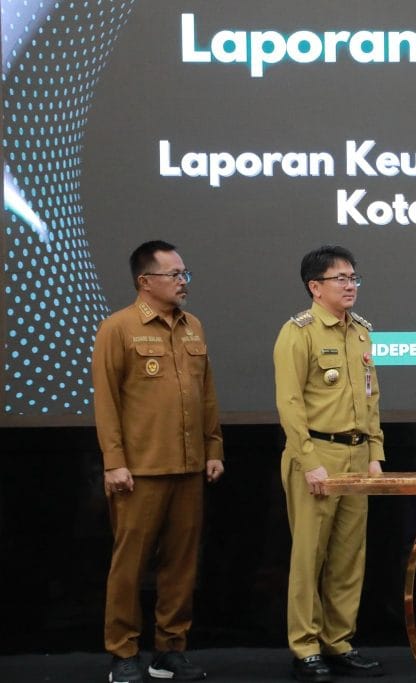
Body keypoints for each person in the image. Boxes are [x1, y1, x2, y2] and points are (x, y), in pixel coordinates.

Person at [92, 240, 224, 683]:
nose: (183, 282)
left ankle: (169, 650)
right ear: (145, 281)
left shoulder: (193, 327)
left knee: (181, 567)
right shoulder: (118, 328)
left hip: (189, 467)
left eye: (185, 274)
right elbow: (106, 402)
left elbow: (206, 396)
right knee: (129, 567)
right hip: (139, 472)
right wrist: (114, 462)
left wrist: (213, 449)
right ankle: (123, 653)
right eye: (174, 274)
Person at [273, 246, 385, 682]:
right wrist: (309, 461)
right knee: (310, 557)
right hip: (318, 455)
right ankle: (305, 647)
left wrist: (375, 453)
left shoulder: (361, 332)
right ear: (315, 287)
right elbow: (290, 403)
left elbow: (372, 397)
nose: (350, 285)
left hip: (356, 455)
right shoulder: (297, 332)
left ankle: (339, 642)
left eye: (353, 277)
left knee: (348, 556)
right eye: (340, 278)